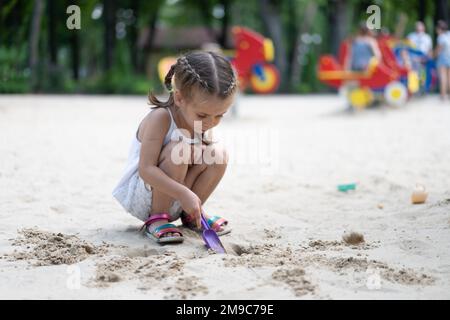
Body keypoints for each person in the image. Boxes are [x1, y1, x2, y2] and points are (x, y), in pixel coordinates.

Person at [112, 51, 236, 244]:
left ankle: (192, 215)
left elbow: (200, 161)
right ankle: (157, 219)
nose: (211, 123)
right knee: (181, 149)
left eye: (220, 115)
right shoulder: (161, 118)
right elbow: (146, 170)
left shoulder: (202, 123)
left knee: (217, 154)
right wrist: (182, 193)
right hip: (145, 195)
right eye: (203, 115)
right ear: (179, 99)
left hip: (180, 196)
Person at [435, 20, 450, 100]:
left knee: (443, 77)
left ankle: (443, 95)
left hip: (443, 58)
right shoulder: (449, 34)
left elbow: (439, 49)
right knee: (449, 77)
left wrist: (434, 55)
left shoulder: (441, 37)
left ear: (439, 29)